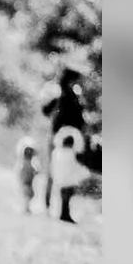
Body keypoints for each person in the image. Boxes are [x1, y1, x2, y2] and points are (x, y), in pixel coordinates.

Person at [41, 68, 87, 214]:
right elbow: (46, 110)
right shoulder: (65, 97)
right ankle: (51, 206)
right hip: (59, 141)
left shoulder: (72, 97)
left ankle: (59, 208)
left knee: (63, 173)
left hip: (68, 142)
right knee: (57, 172)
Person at [15, 136, 41, 214]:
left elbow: (33, 170)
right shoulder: (23, 162)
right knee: (27, 195)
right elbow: (21, 171)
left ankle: (26, 207)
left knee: (30, 195)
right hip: (26, 181)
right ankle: (26, 208)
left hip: (29, 181)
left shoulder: (30, 162)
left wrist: (35, 172)